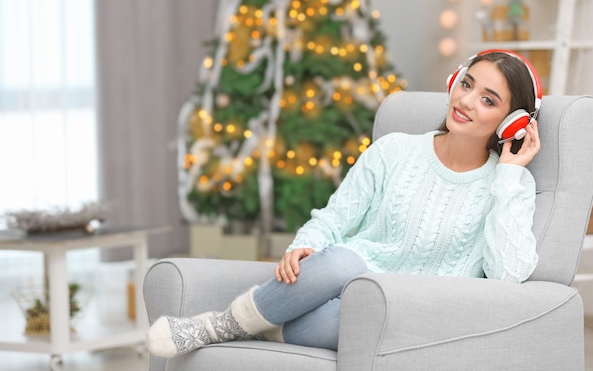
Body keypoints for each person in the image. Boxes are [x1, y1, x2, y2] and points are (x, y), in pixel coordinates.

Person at [147, 49, 542, 357]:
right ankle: (222, 326)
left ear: (513, 122)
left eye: (489, 100)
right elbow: (333, 219)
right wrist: (302, 248)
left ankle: (257, 321)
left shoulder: (510, 185)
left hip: (412, 314)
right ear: (454, 81)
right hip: (349, 280)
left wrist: (507, 175)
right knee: (341, 259)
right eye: (467, 84)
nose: (467, 101)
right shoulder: (394, 151)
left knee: (361, 312)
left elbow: (508, 278)